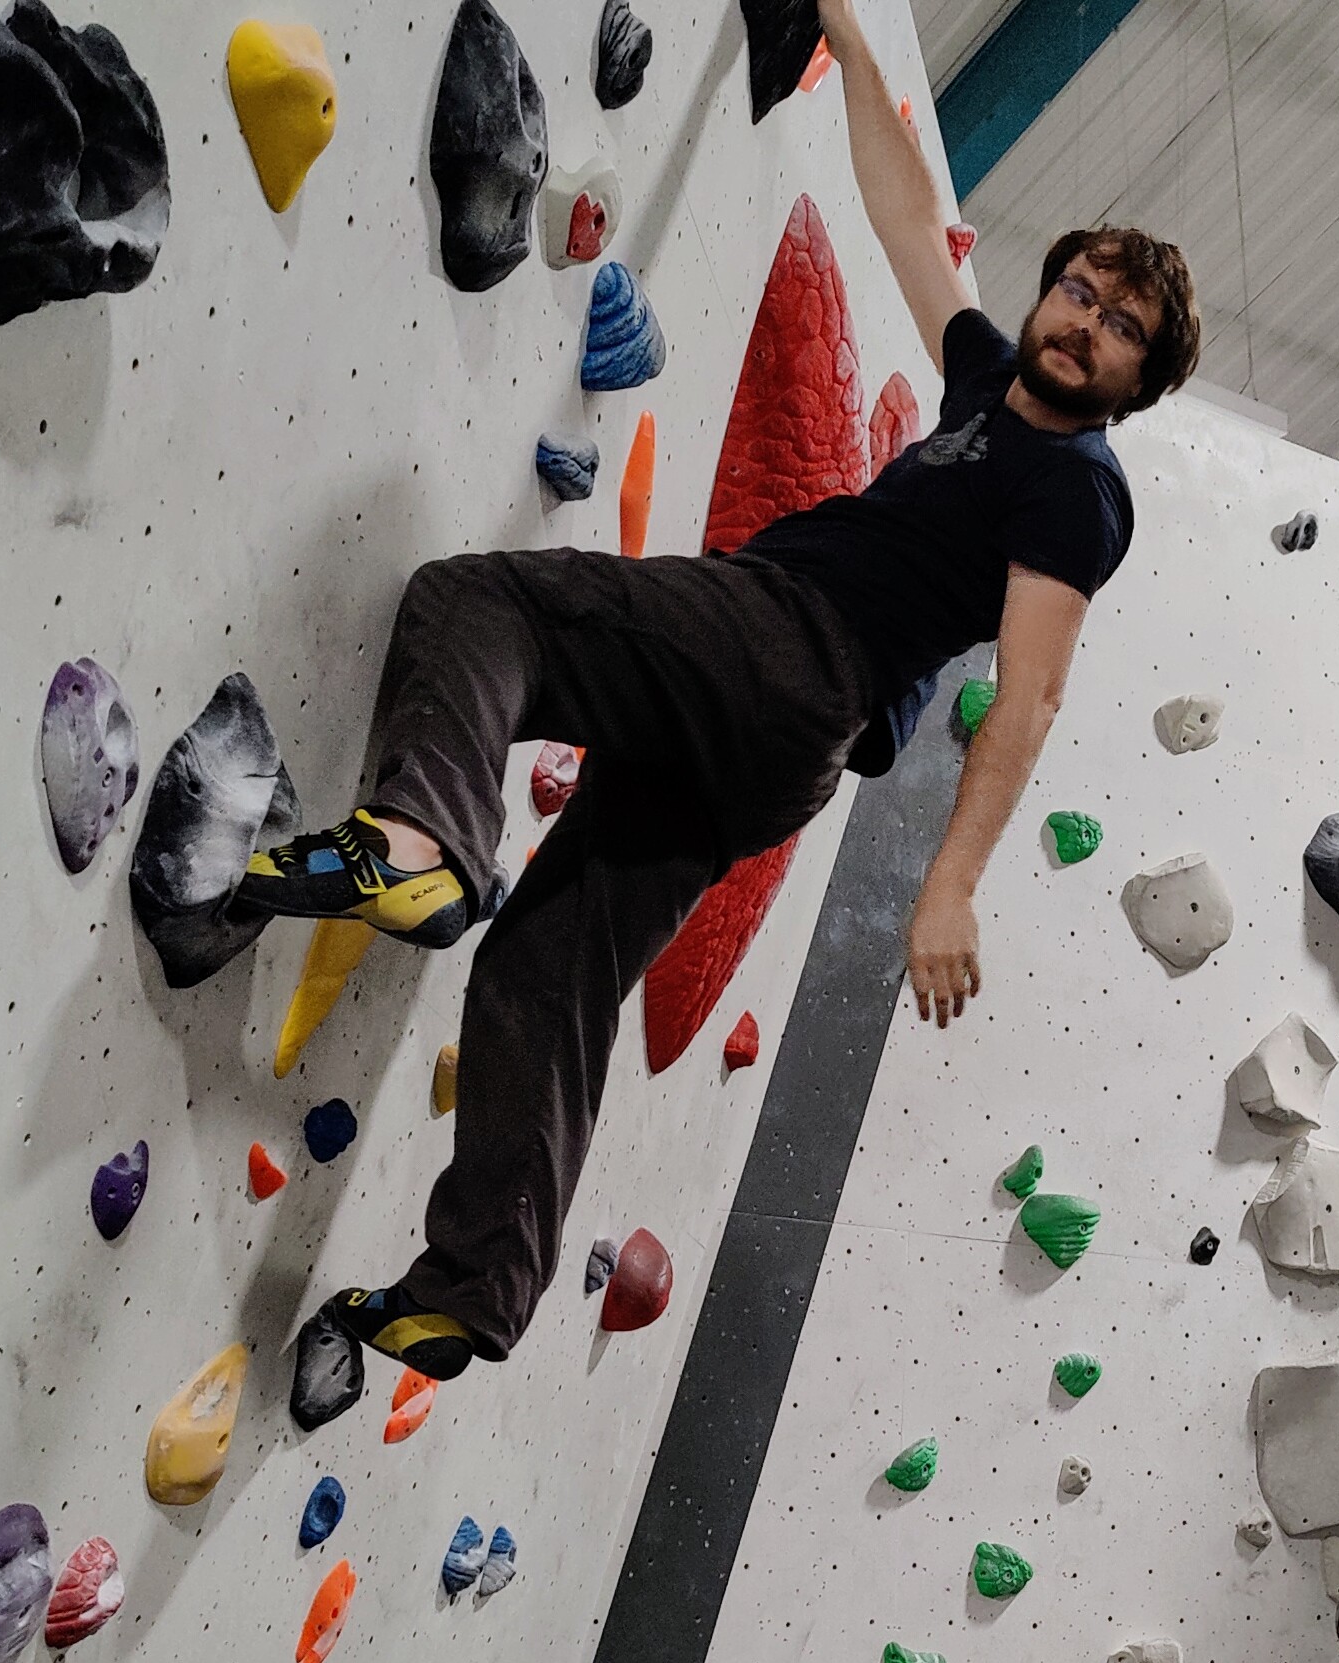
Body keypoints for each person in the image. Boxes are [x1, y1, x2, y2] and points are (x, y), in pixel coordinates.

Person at [247, 0, 1200, 1382]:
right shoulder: (992, 383)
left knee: (483, 599)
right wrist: (860, 51)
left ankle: (420, 842)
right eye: (1082, 293)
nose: (1086, 324)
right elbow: (906, 217)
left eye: (1121, 328)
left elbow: (1034, 693)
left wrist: (950, 885)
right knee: (551, 966)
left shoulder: (1079, 491)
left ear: (1137, 381)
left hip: (789, 645)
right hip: (772, 749)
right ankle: (475, 1289)